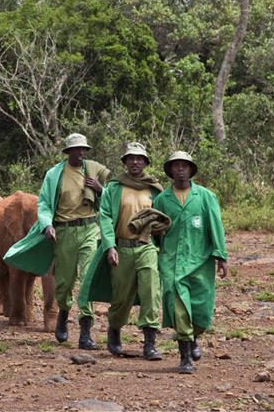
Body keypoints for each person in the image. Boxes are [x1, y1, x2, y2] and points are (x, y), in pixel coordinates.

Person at [2, 133, 109, 349]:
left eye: (83, 149)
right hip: (64, 231)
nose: (81, 153)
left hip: (89, 228)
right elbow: (44, 204)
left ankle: (86, 332)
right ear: (68, 152)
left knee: (87, 277)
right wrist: (47, 224)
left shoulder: (93, 171)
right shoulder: (54, 174)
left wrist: (100, 189)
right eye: (76, 149)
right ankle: (63, 314)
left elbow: (109, 202)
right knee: (64, 280)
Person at [78, 142, 169, 360]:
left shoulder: (155, 189)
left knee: (151, 292)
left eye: (139, 158)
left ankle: (149, 343)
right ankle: (115, 330)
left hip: (147, 247)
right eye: (131, 158)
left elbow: (164, 217)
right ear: (125, 162)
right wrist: (109, 246)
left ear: (146, 162)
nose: (135, 162)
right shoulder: (114, 188)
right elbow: (106, 217)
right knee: (121, 296)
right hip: (122, 248)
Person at [152, 150, 228, 374]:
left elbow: (215, 226)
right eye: (176, 166)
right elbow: (155, 232)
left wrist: (221, 256)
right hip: (172, 262)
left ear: (191, 169)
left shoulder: (205, 196)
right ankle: (185, 357)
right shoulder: (161, 199)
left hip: (200, 260)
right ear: (170, 170)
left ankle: (194, 335)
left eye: (184, 165)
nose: (180, 169)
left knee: (202, 310)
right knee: (180, 307)